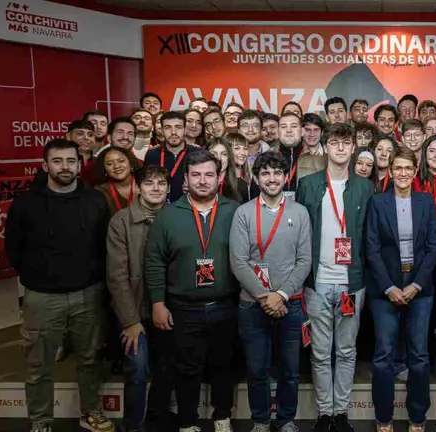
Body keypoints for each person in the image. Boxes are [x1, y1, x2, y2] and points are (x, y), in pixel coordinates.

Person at [5, 139, 113, 432]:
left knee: (90, 359)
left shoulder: (95, 201)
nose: (65, 167)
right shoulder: (26, 204)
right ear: (45, 165)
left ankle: (90, 411)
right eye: (57, 161)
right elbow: (13, 249)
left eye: (70, 161)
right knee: (39, 365)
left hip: (87, 294)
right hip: (41, 298)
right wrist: (38, 275)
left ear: (79, 165)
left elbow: (105, 246)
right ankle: (41, 421)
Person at [145, 150, 240, 432]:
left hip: (225, 304)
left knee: (224, 366)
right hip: (183, 307)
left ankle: (222, 417)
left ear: (219, 178)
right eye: (195, 175)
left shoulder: (234, 211)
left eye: (209, 174)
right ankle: (187, 421)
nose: (202, 181)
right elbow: (154, 262)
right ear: (185, 179)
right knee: (187, 369)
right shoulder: (168, 215)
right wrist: (157, 303)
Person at [296, 123, 375, 432]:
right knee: (318, 351)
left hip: (351, 283)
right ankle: (325, 412)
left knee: (345, 350)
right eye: (335, 143)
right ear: (325, 147)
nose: (341, 148)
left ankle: (341, 411)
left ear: (353, 148)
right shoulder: (309, 184)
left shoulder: (365, 187)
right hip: (317, 280)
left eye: (346, 143)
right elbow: (301, 234)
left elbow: (370, 236)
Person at [230, 152, 312, 432]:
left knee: (290, 370)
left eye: (277, 173)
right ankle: (261, 421)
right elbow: (238, 261)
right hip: (252, 305)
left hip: (291, 304)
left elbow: (305, 261)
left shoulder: (299, 212)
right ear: (256, 178)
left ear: (285, 177)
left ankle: (286, 419)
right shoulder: (243, 213)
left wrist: (282, 295)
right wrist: (266, 296)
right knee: (257, 370)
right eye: (265, 173)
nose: (272, 179)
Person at [366, 147, 436, 432]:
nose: (403, 173)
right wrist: (388, 287)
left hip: (420, 288)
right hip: (386, 290)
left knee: (419, 356)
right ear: (391, 171)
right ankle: (383, 418)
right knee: (384, 356)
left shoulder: (426, 202)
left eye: (408, 168)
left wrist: (416, 285)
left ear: (415, 170)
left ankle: (417, 417)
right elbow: (371, 249)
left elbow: (433, 247)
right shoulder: (377, 202)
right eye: (398, 168)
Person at [106, 165, 174, 432]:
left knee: (167, 368)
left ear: (168, 188)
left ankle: (158, 417)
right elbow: (116, 276)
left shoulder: (176, 216)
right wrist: (130, 321)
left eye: (161, 183)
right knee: (137, 369)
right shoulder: (121, 221)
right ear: (137, 187)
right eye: (149, 183)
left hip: (168, 308)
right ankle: (134, 425)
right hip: (133, 311)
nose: (156, 188)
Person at [144, 111, 200, 202]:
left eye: (178, 127)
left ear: (185, 130)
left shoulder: (198, 153)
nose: (173, 132)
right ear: (161, 131)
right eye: (167, 128)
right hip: (159, 207)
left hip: (190, 207)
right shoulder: (152, 155)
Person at [80, 117, 139, 186]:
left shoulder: (140, 164)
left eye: (130, 133)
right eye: (120, 132)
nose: (125, 137)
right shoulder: (92, 167)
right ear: (109, 138)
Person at [95, 147, 137, 215]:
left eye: (121, 161)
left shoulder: (145, 183)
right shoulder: (100, 192)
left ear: (130, 162)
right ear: (104, 169)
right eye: (109, 164)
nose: (117, 166)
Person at [208, 137, 246, 202]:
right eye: (213, 154)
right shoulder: (199, 184)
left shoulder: (241, 185)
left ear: (229, 158)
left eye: (224, 154)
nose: (219, 158)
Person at [227, 132, 261, 202]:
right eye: (237, 148)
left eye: (245, 149)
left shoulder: (252, 175)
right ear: (227, 150)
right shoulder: (223, 178)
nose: (243, 153)